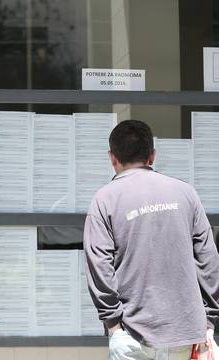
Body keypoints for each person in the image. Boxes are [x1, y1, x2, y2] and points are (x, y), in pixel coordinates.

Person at [84, 120, 219, 360]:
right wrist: (208, 321)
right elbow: (208, 259)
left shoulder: (104, 200)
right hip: (185, 334)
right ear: (152, 155)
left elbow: (99, 266)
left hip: (131, 336)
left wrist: (113, 326)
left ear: (112, 157)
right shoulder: (186, 193)